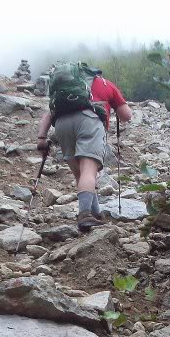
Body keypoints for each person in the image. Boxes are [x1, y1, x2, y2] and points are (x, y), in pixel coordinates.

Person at [36, 68, 132, 232]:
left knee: (80, 175)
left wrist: (42, 138)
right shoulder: (105, 84)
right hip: (89, 121)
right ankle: (85, 214)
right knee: (89, 170)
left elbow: (49, 114)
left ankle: (95, 214)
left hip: (62, 124)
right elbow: (126, 115)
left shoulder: (65, 89)